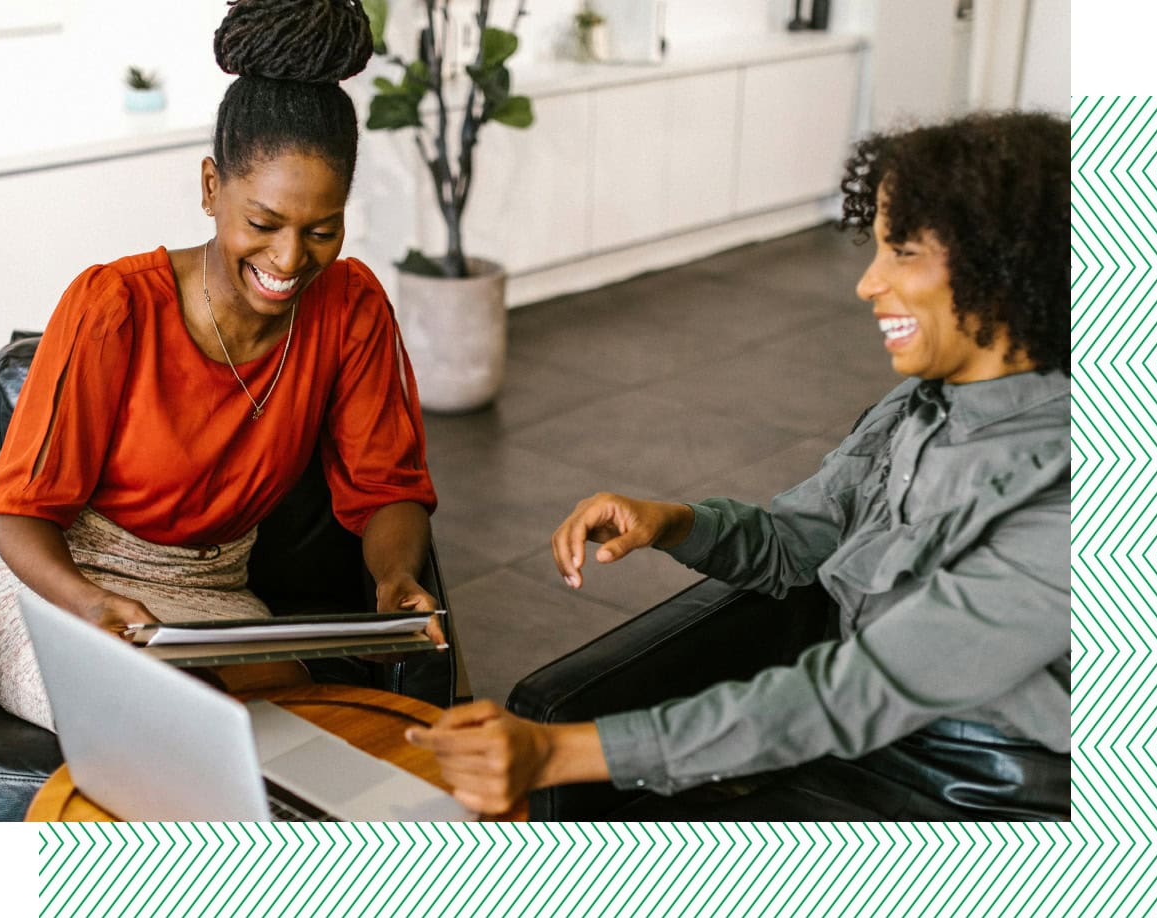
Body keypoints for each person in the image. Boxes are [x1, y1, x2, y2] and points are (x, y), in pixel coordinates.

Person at [407, 111, 1071, 821]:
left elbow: (858, 690)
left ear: (1003, 266)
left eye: (901, 253)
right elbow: (797, 543)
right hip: (843, 745)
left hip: (971, 797)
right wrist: (673, 523)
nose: (867, 285)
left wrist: (558, 751)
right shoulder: (918, 407)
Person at [0, 0, 442, 731]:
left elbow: (386, 487)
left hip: (214, 593)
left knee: (302, 740)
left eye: (322, 230)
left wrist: (395, 575)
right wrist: (92, 605)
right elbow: (21, 518)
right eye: (263, 223)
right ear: (211, 187)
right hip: (63, 585)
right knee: (159, 728)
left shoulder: (350, 309)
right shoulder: (114, 306)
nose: (290, 260)